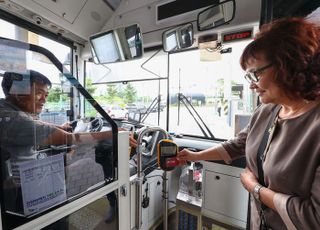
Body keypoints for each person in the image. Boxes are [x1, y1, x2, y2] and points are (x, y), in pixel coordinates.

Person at [177, 17, 320, 229]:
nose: (252, 85)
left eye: (256, 73)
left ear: (288, 65)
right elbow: (238, 145)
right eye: (249, 77)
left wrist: (255, 189)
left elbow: (314, 219)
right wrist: (194, 156)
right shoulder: (266, 111)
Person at [0, 70, 137, 215]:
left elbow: (34, 123)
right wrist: (115, 132)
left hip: (18, 181)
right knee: (90, 164)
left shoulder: (6, 110)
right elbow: (71, 138)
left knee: (68, 158)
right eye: (39, 93)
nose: (44, 100)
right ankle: (94, 209)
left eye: (46, 95)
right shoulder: (15, 120)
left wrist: (58, 127)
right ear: (18, 92)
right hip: (24, 191)